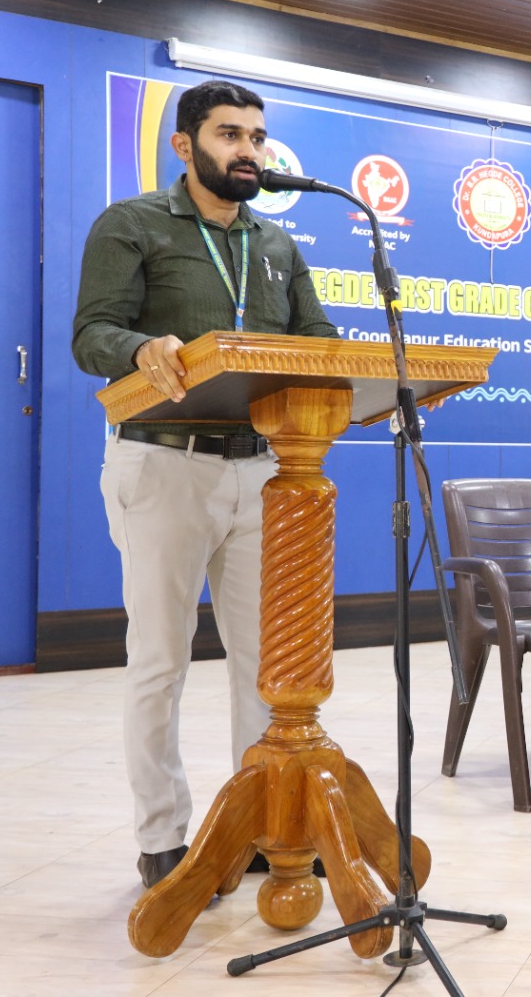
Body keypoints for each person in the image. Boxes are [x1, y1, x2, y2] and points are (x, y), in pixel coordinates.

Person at [72, 80, 340, 889]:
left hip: (265, 473)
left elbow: (318, 339)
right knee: (160, 659)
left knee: (269, 668)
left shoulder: (277, 244)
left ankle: (260, 824)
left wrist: (360, 370)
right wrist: (138, 348)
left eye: (257, 136)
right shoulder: (133, 224)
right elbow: (92, 334)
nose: (248, 151)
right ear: (185, 145)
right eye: (230, 135)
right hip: (164, 463)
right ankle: (163, 837)